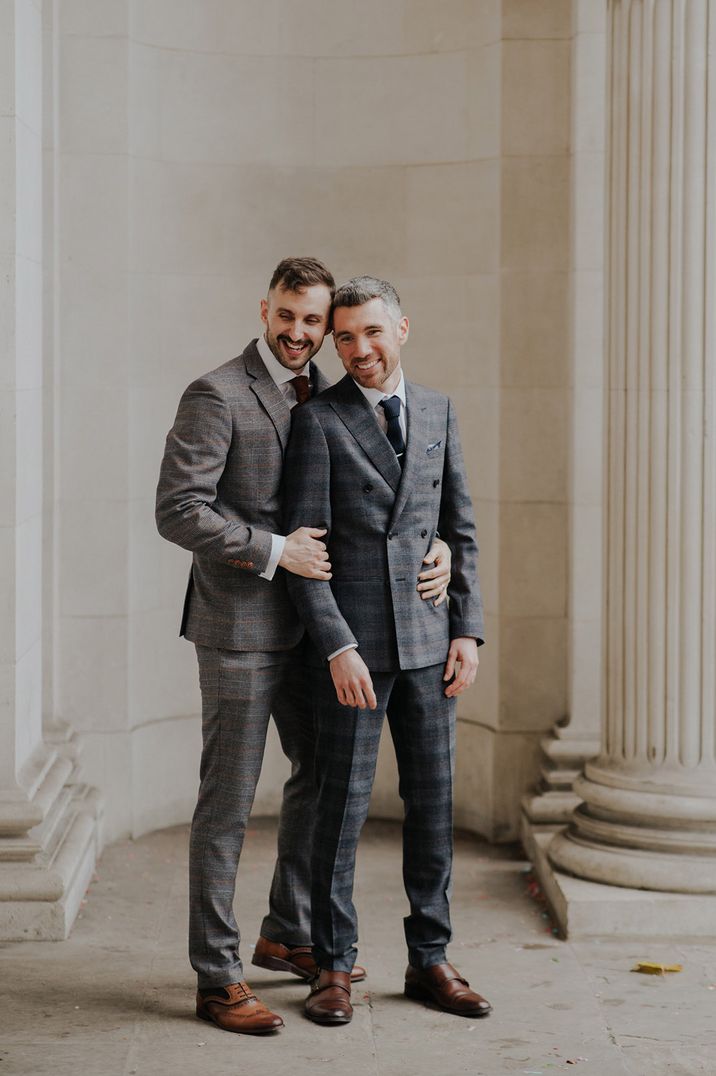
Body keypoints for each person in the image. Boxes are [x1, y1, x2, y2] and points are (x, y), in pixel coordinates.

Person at [155, 257, 453, 1035]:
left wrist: (440, 548)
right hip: (241, 631)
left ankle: (288, 931)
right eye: (287, 317)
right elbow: (178, 508)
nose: (299, 333)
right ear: (266, 310)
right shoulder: (217, 393)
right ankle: (216, 976)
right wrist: (272, 547)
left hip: (313, 633)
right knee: (228, 804)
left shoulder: (324, 395)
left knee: (322, 781)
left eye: (312, 322)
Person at [283, 276, 491, 1027]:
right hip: (353, 655)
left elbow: (458, 528)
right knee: (339, 813)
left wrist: (466, 629)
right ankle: (332, 966)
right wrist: (335, 645)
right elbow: (306, 552)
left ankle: (430, 959)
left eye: (371, 332)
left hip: (434, 651)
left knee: (432, 812)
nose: (358, 350)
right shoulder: (320, 421)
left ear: (402, 327)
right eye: (344, 338)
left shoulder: (437, 409)